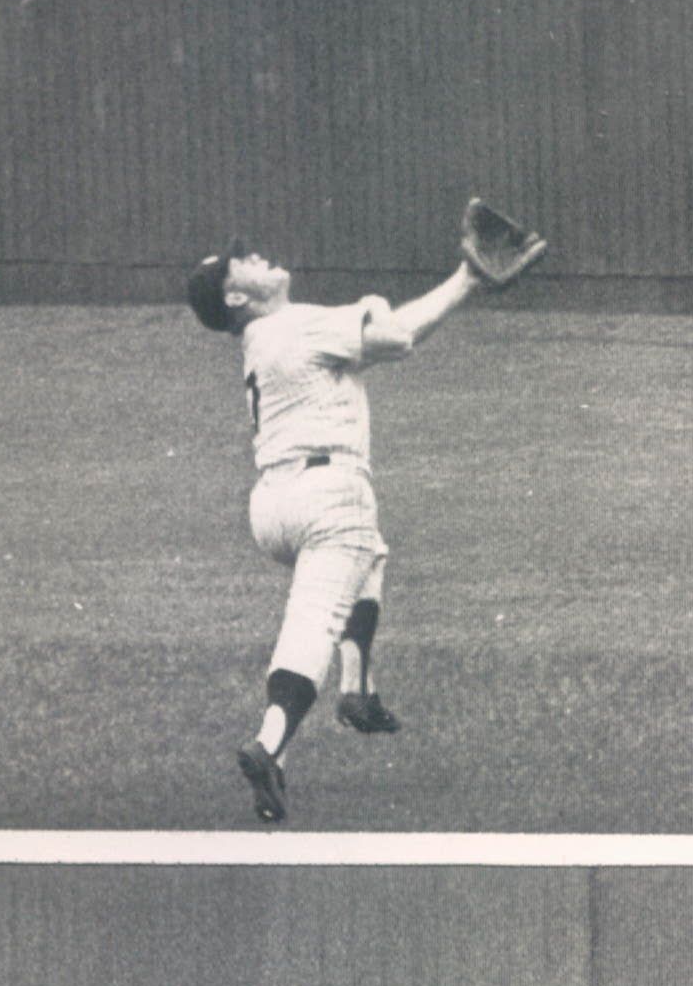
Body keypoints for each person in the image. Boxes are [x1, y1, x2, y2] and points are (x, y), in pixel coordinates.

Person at [186, 239, 493, 825]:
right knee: (313, 623)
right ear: (236, 296)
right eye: (243, 261)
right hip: (328, 497)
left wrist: (452, 285)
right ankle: (270, 744)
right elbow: (396, 337)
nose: (258, 256)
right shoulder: (295, 324)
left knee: (370, 554)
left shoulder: (263, 341)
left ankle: (359, 688)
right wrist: (418, 290)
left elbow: (376, 340)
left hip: (273, 507)